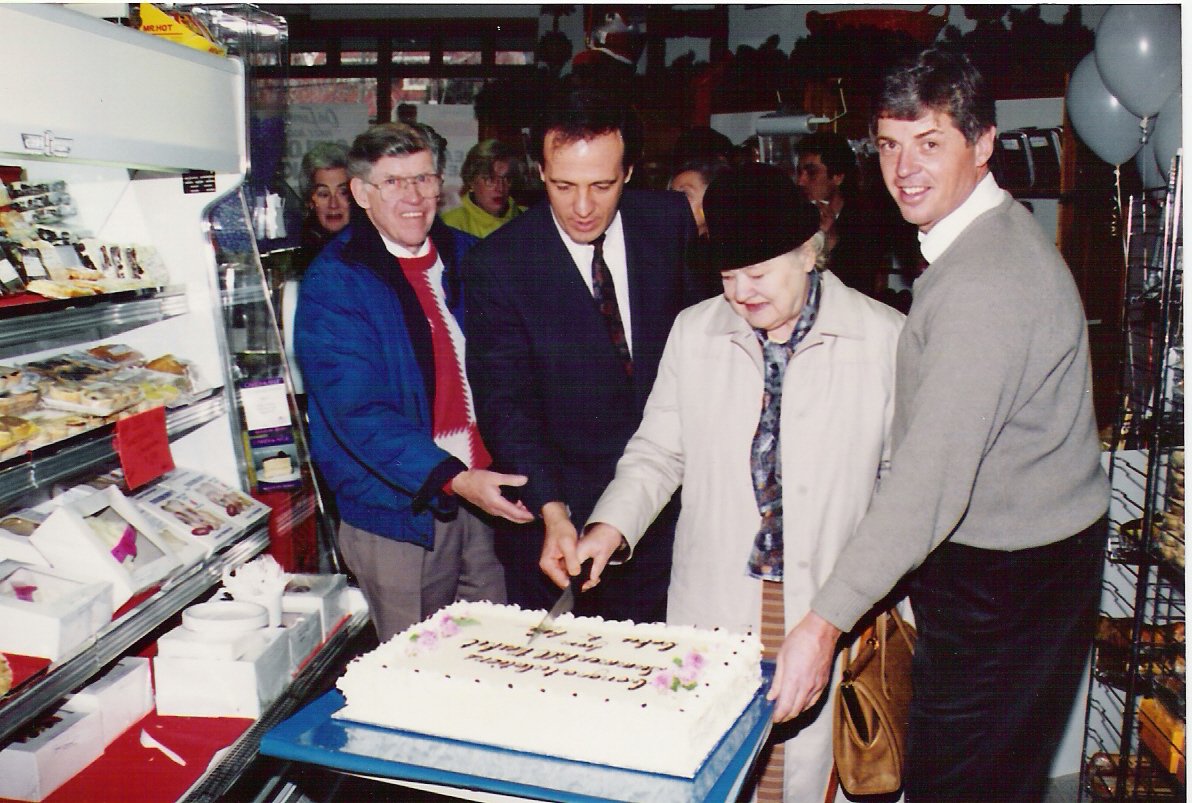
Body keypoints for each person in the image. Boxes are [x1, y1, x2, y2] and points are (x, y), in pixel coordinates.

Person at [776, 48, 1110, 802]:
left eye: (930, 143)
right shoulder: (983, 240)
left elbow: (931, 479)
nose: (904, 169)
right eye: (889, 146)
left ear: (983, 143)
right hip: (1030, 558)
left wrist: (825, 620)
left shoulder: (983, 281)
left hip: (1010, 578)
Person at [551, 162, 903, 802]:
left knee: (809, 777)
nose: (741, 293)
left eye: (759, 272)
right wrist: (610, 526)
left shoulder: (883, 338)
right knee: (721, 774)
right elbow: (658, 450)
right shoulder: (696, 331)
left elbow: (901, 490)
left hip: (830, 602)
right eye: (727, 275)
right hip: (716, 594)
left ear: (810, 252)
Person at [464, 90, 702, 623]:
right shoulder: (499, 264)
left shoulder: (668, 223)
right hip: (560, 522)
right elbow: (507, 406)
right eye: (563, 186)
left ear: (631, 171)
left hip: (671, 508)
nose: (583, 207)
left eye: (603, 184)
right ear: (539, 171)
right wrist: (552, 510)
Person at [294, 122, 534, 641]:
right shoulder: (336, 281)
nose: (413, 197)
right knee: (415, 668)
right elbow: (356, 412)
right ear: (361, 193)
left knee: (495, 652)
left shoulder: (473, 257)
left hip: (484, 499)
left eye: (423, 180)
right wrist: (451, 477)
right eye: (393, 182)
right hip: (398, 510)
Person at [795, 131, 916, 300]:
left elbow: (858, 287)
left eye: (811, 172)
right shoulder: (797, 218)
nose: (800, 181)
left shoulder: (863, 222)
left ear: (837, 177)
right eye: (799, 172)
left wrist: (831, 240)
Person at [441, 139, 525, 238]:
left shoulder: (529, 218)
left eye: (507, 179)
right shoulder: (450, 225)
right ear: (471, 181)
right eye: (490, 179)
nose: (500, 188)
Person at [294, 141, 352, 274]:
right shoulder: (300, 250)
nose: (333, 204)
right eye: (323, 194)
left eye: (343, 192)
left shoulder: (371, 245)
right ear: (310, 201)